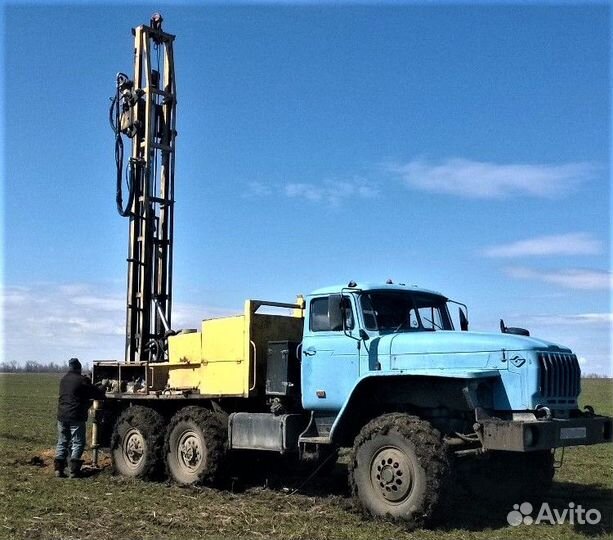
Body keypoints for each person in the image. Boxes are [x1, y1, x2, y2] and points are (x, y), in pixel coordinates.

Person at [54, 358, 106, 478]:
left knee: (62, 441)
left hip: (62, 415)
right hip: (75, 416)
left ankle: (58, 469)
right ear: (79, 368)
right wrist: (102, 387)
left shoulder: (63, 379)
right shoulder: (82, 380)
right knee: (78, 442)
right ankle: (74, 470)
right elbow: (96, 393)